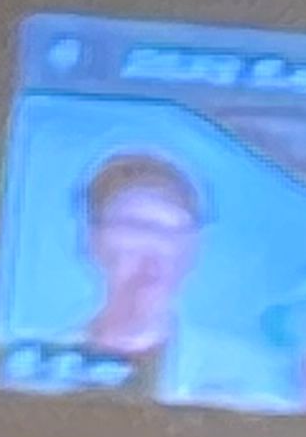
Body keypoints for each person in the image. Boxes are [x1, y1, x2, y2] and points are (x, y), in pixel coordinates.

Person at [66, 150, 209, 395]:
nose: (153, 253)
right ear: (93, 239)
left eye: (171, 232)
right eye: (134, 228)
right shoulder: (36, 371)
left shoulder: (245, 379)